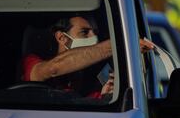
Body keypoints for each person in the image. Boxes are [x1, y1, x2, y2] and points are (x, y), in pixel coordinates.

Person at [22, 15, 153, 97]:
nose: (94, 38)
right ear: (62, 37)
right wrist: (120, 44)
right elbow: (53, 69)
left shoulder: (90, 74)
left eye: (95, 32)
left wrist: (104, 95)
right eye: (84, 32)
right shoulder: (31, 62)